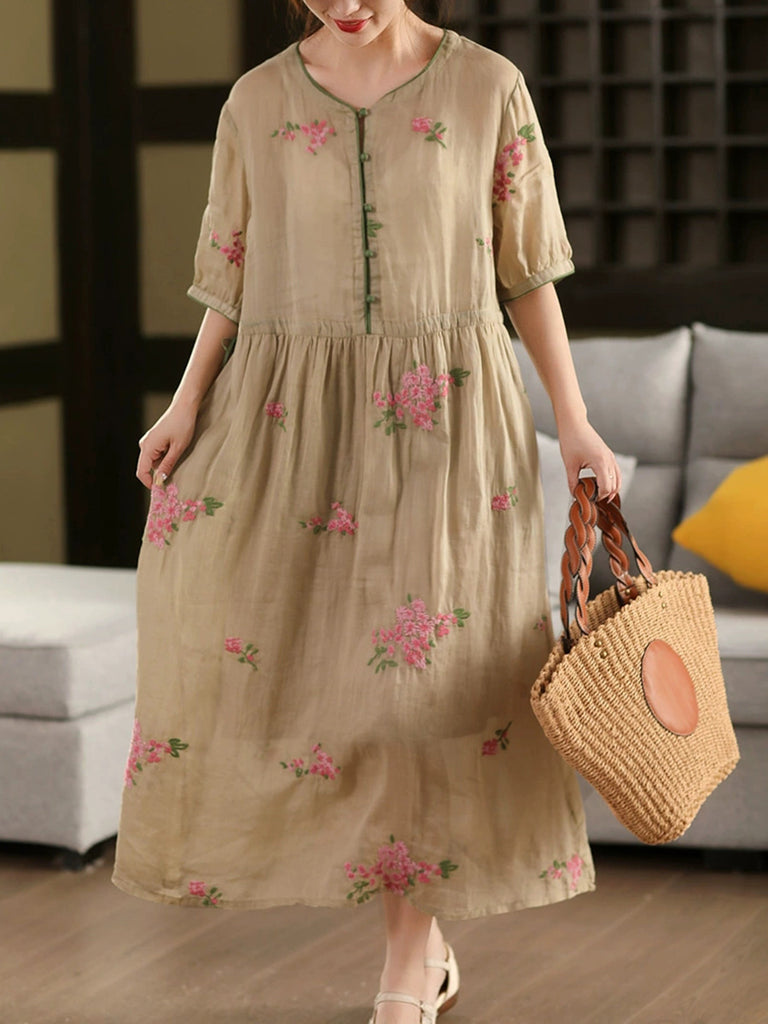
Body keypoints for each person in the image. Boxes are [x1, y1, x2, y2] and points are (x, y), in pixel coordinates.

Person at [111, 3, 622, 1022]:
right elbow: (230, 274)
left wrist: (574, 421)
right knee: (286, 669)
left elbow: (527, 272)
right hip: (288, 417)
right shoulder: (256, 101)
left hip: (451, 424)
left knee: (421, 699)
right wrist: (184, 403)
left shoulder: (487, 88)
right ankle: (420, 950)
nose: (343, 4)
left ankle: (407, 967)